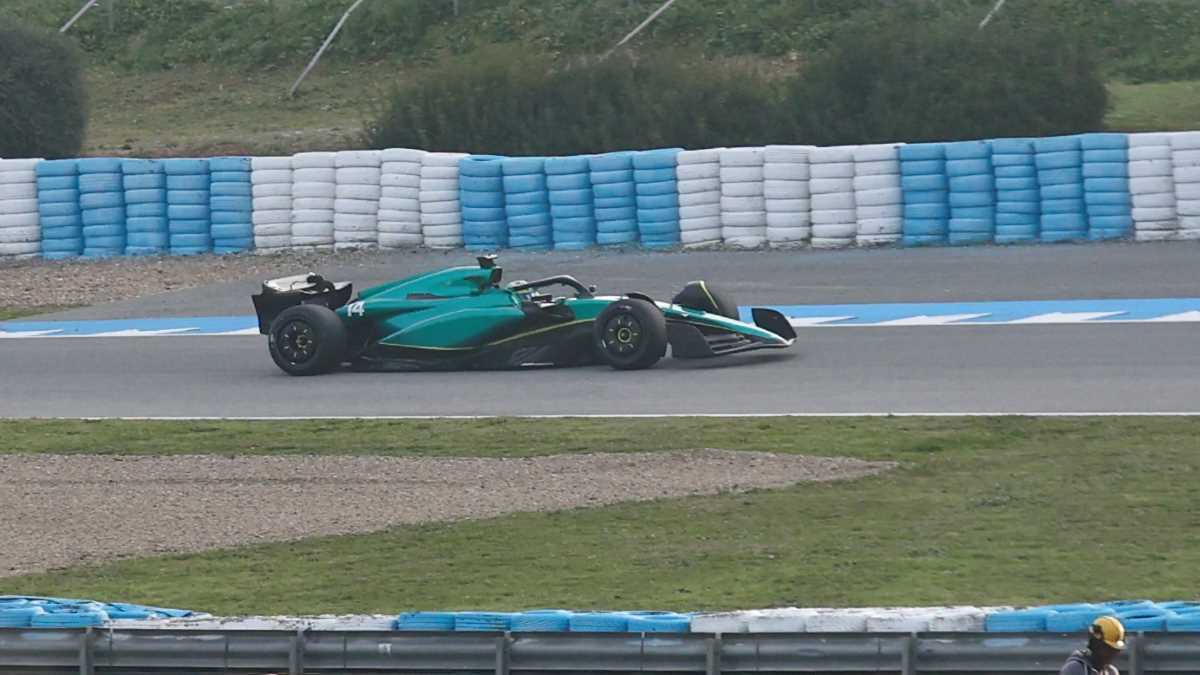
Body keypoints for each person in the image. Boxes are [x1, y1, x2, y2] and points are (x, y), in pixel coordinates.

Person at [1058, 616, 1126, 675]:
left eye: (1116, 650)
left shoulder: (1111, 672)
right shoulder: (1074, 669)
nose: (1113, 654)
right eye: (1109, 649)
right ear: (1097, 644)